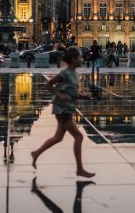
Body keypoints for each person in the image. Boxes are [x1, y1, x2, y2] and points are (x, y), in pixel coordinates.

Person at [31, 46, 95, 178]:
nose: (82, 59)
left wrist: (84, 96)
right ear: (73, 59)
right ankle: (80, 169)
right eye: (80, 57)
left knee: (58, 138)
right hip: (62, 109)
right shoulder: (65, 73)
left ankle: (36, 153)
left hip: (67, 108)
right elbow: (48, 84)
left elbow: (72, 92)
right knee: (79, 136)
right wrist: (59, 94)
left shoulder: (75, 74)